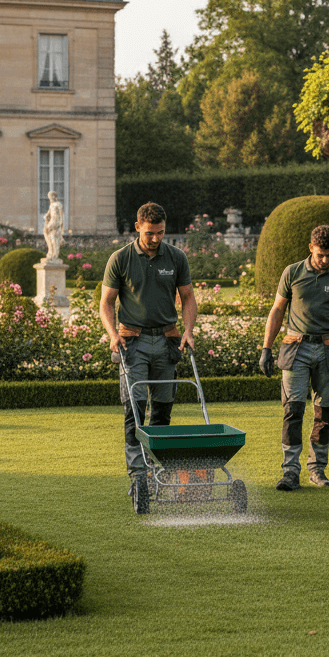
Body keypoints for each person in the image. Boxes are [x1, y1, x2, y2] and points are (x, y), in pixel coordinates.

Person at [100, 202, 195, 514]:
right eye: (151, 233)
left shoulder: (176, 257)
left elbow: (188, 297)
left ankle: (158, 471)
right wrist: (113, 335)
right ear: (138, 227)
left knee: (163, 411)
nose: (156, 239)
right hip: (133, 342)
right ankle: (138, 474)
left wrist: (189, 331)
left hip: (167, 341)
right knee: (135, 409)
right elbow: (106, 303)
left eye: (161, 233)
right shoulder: (121, 259)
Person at [259, 225, 329, 490]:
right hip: (296, 348)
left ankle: (317, 470)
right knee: (293, 410)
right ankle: (290, 473)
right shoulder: (292, 272)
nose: (325, 260)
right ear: (311, 249)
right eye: (320, 255)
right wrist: (266, 349)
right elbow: (277, 310)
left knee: (323, 411)